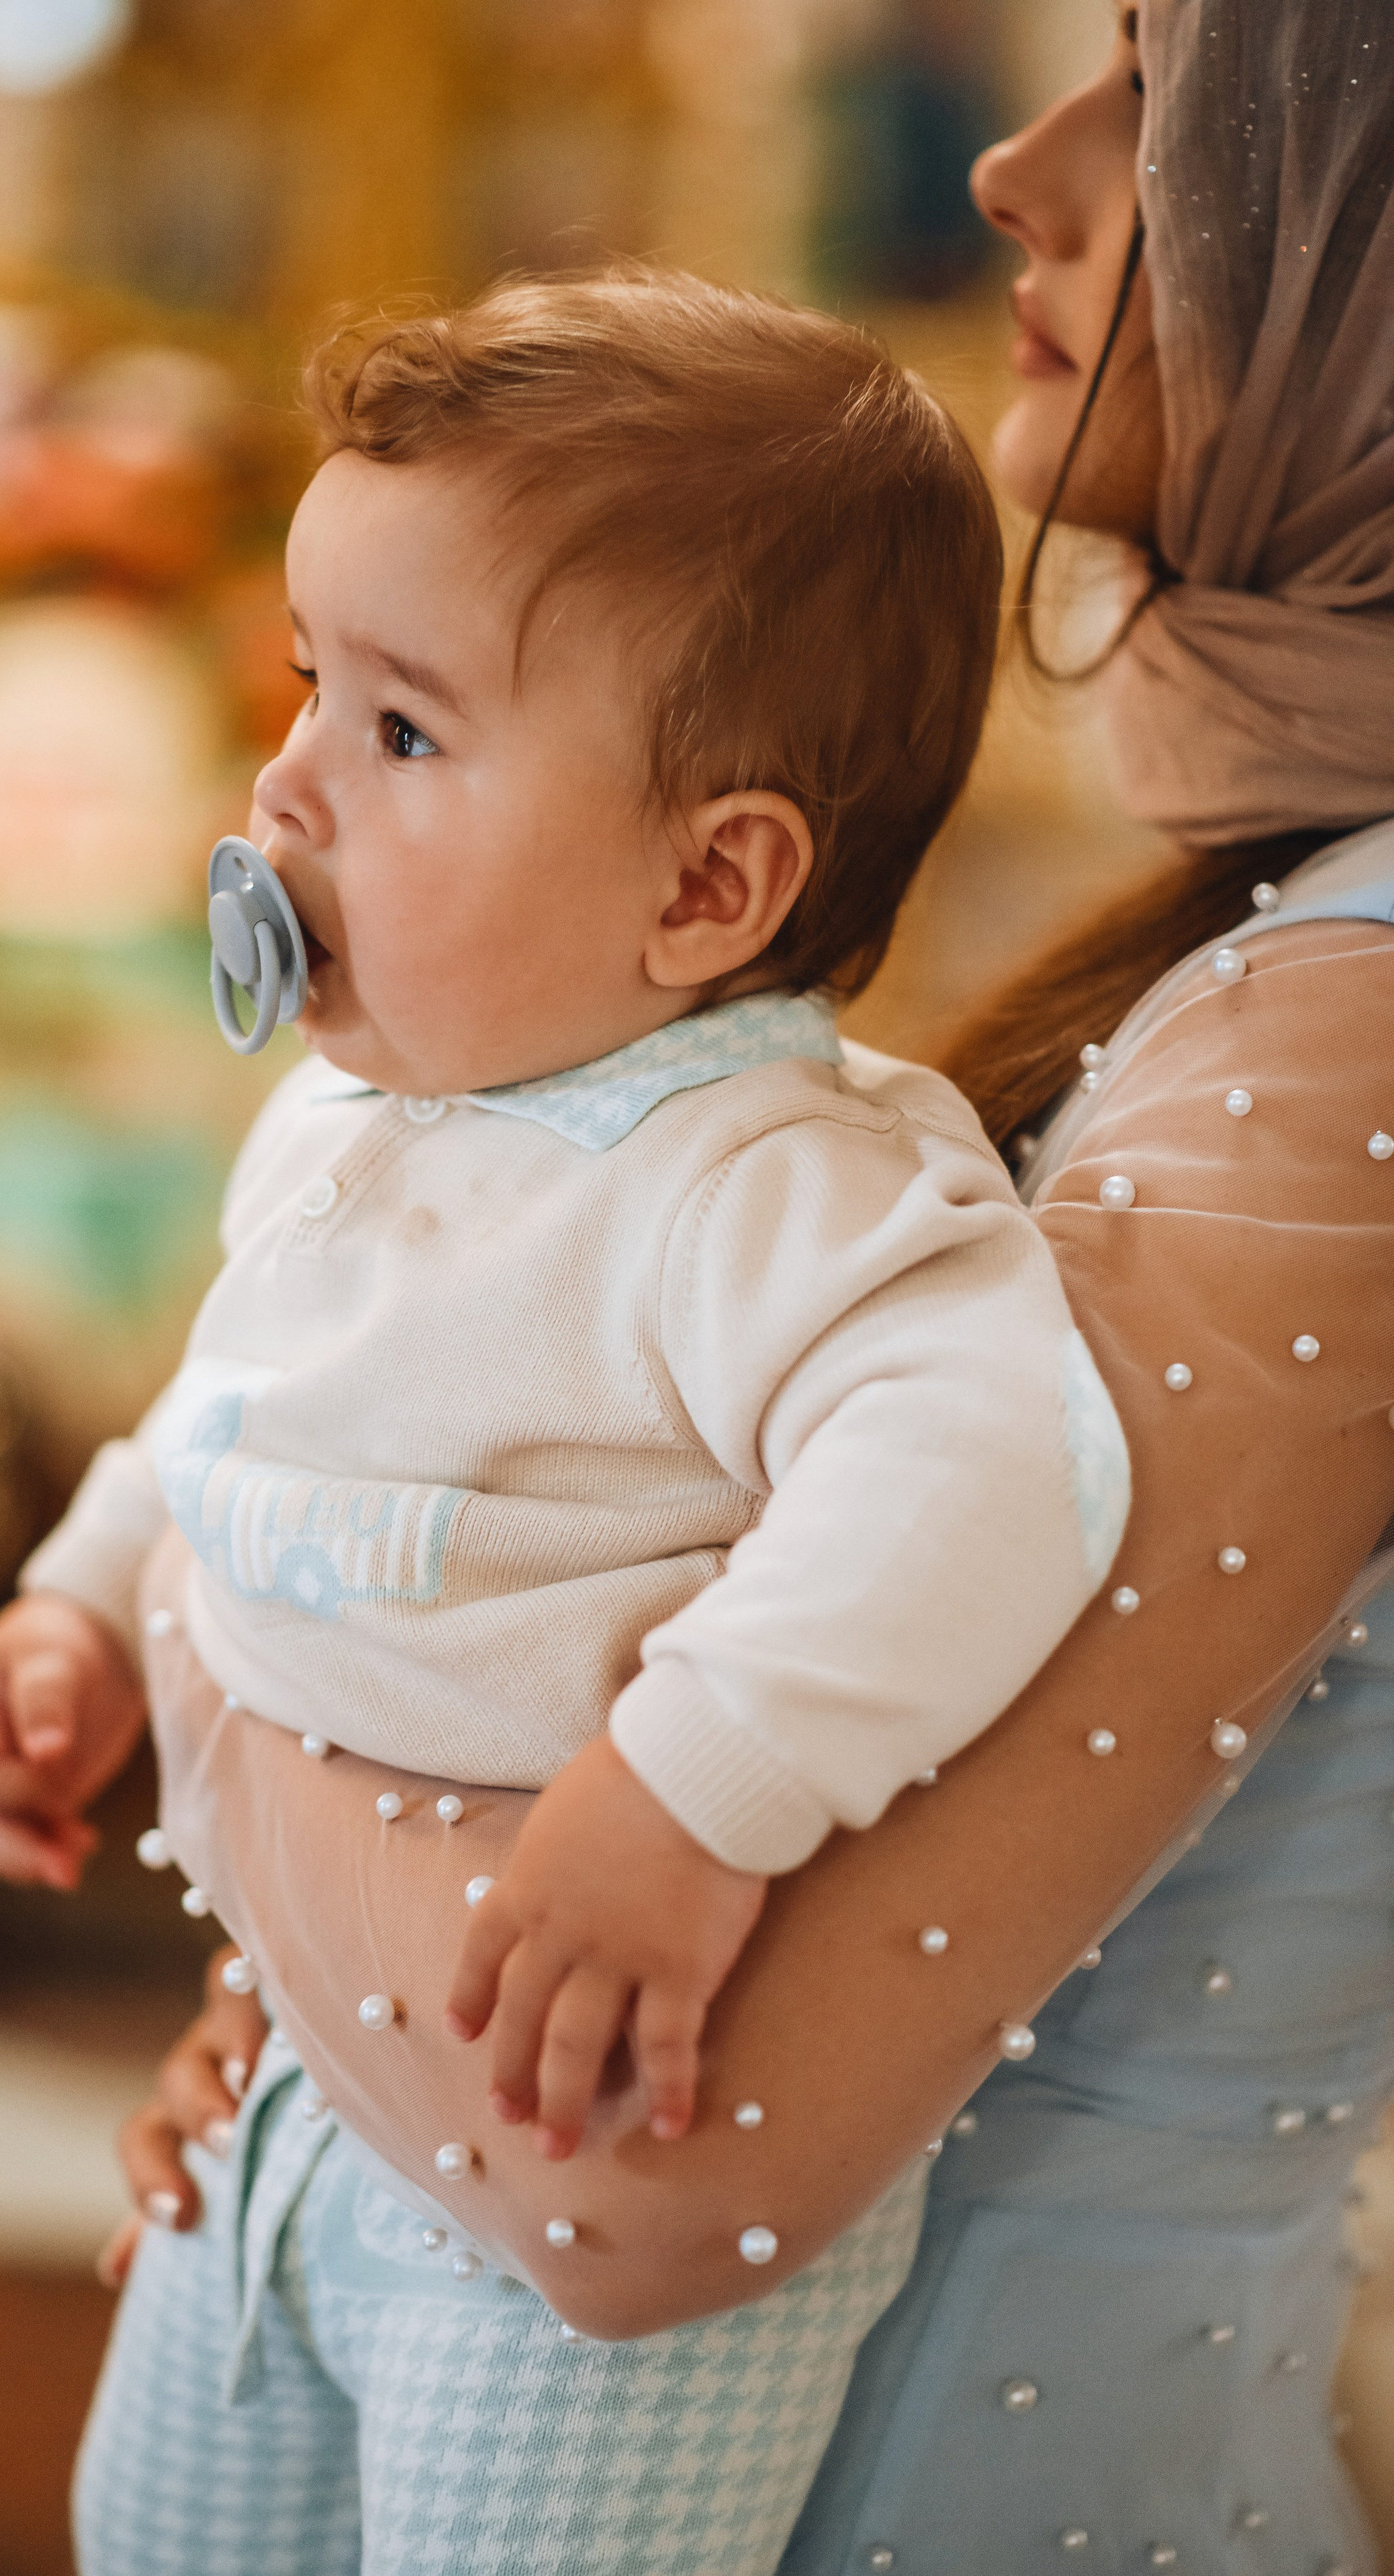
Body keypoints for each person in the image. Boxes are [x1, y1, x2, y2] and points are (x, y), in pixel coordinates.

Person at [86, 0, 1394, 2567]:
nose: (1026, 163)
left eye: (1183, 89)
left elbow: (637, 2188)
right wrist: (290, 2032)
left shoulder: (1347, 1030)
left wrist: (195, 1632)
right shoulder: (1271, 919)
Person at [0, 274, 1137, 2572]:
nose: (285, 779)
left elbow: (999, 1466)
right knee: (158, 2527)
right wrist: (86, 1601)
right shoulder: (351, 1118)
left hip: (576, 2140)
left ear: (710, 885)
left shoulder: (777, 1174)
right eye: (311, 678)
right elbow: (236, 1401)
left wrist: (701, 1786)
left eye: (403, 732)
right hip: (291, 2057)